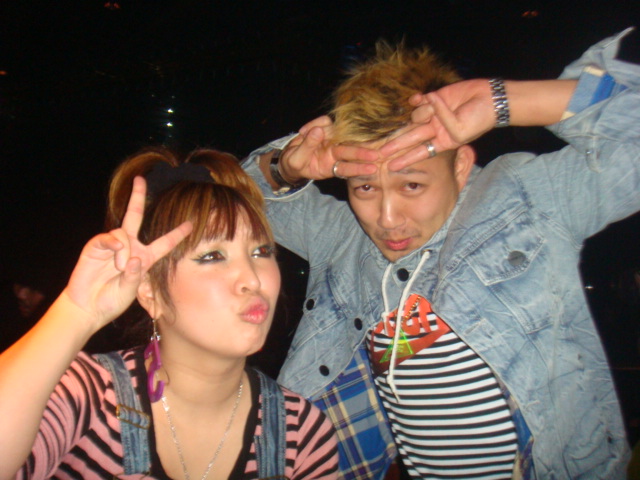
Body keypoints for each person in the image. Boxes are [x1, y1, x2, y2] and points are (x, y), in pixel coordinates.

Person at [241, 30, 638, 479]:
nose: (387, 218)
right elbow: (236, 199)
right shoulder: (343, 238)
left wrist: (503, 101)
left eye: (412, 184)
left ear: (461, 165)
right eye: (365, 188)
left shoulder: (523, 200)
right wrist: (285, 168)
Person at [0, 148, 339, 479]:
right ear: (149, 291)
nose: (252, 279)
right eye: (213, 256)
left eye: (261, 251)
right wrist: (78, 311)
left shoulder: (300, 431)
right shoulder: (87, 395)